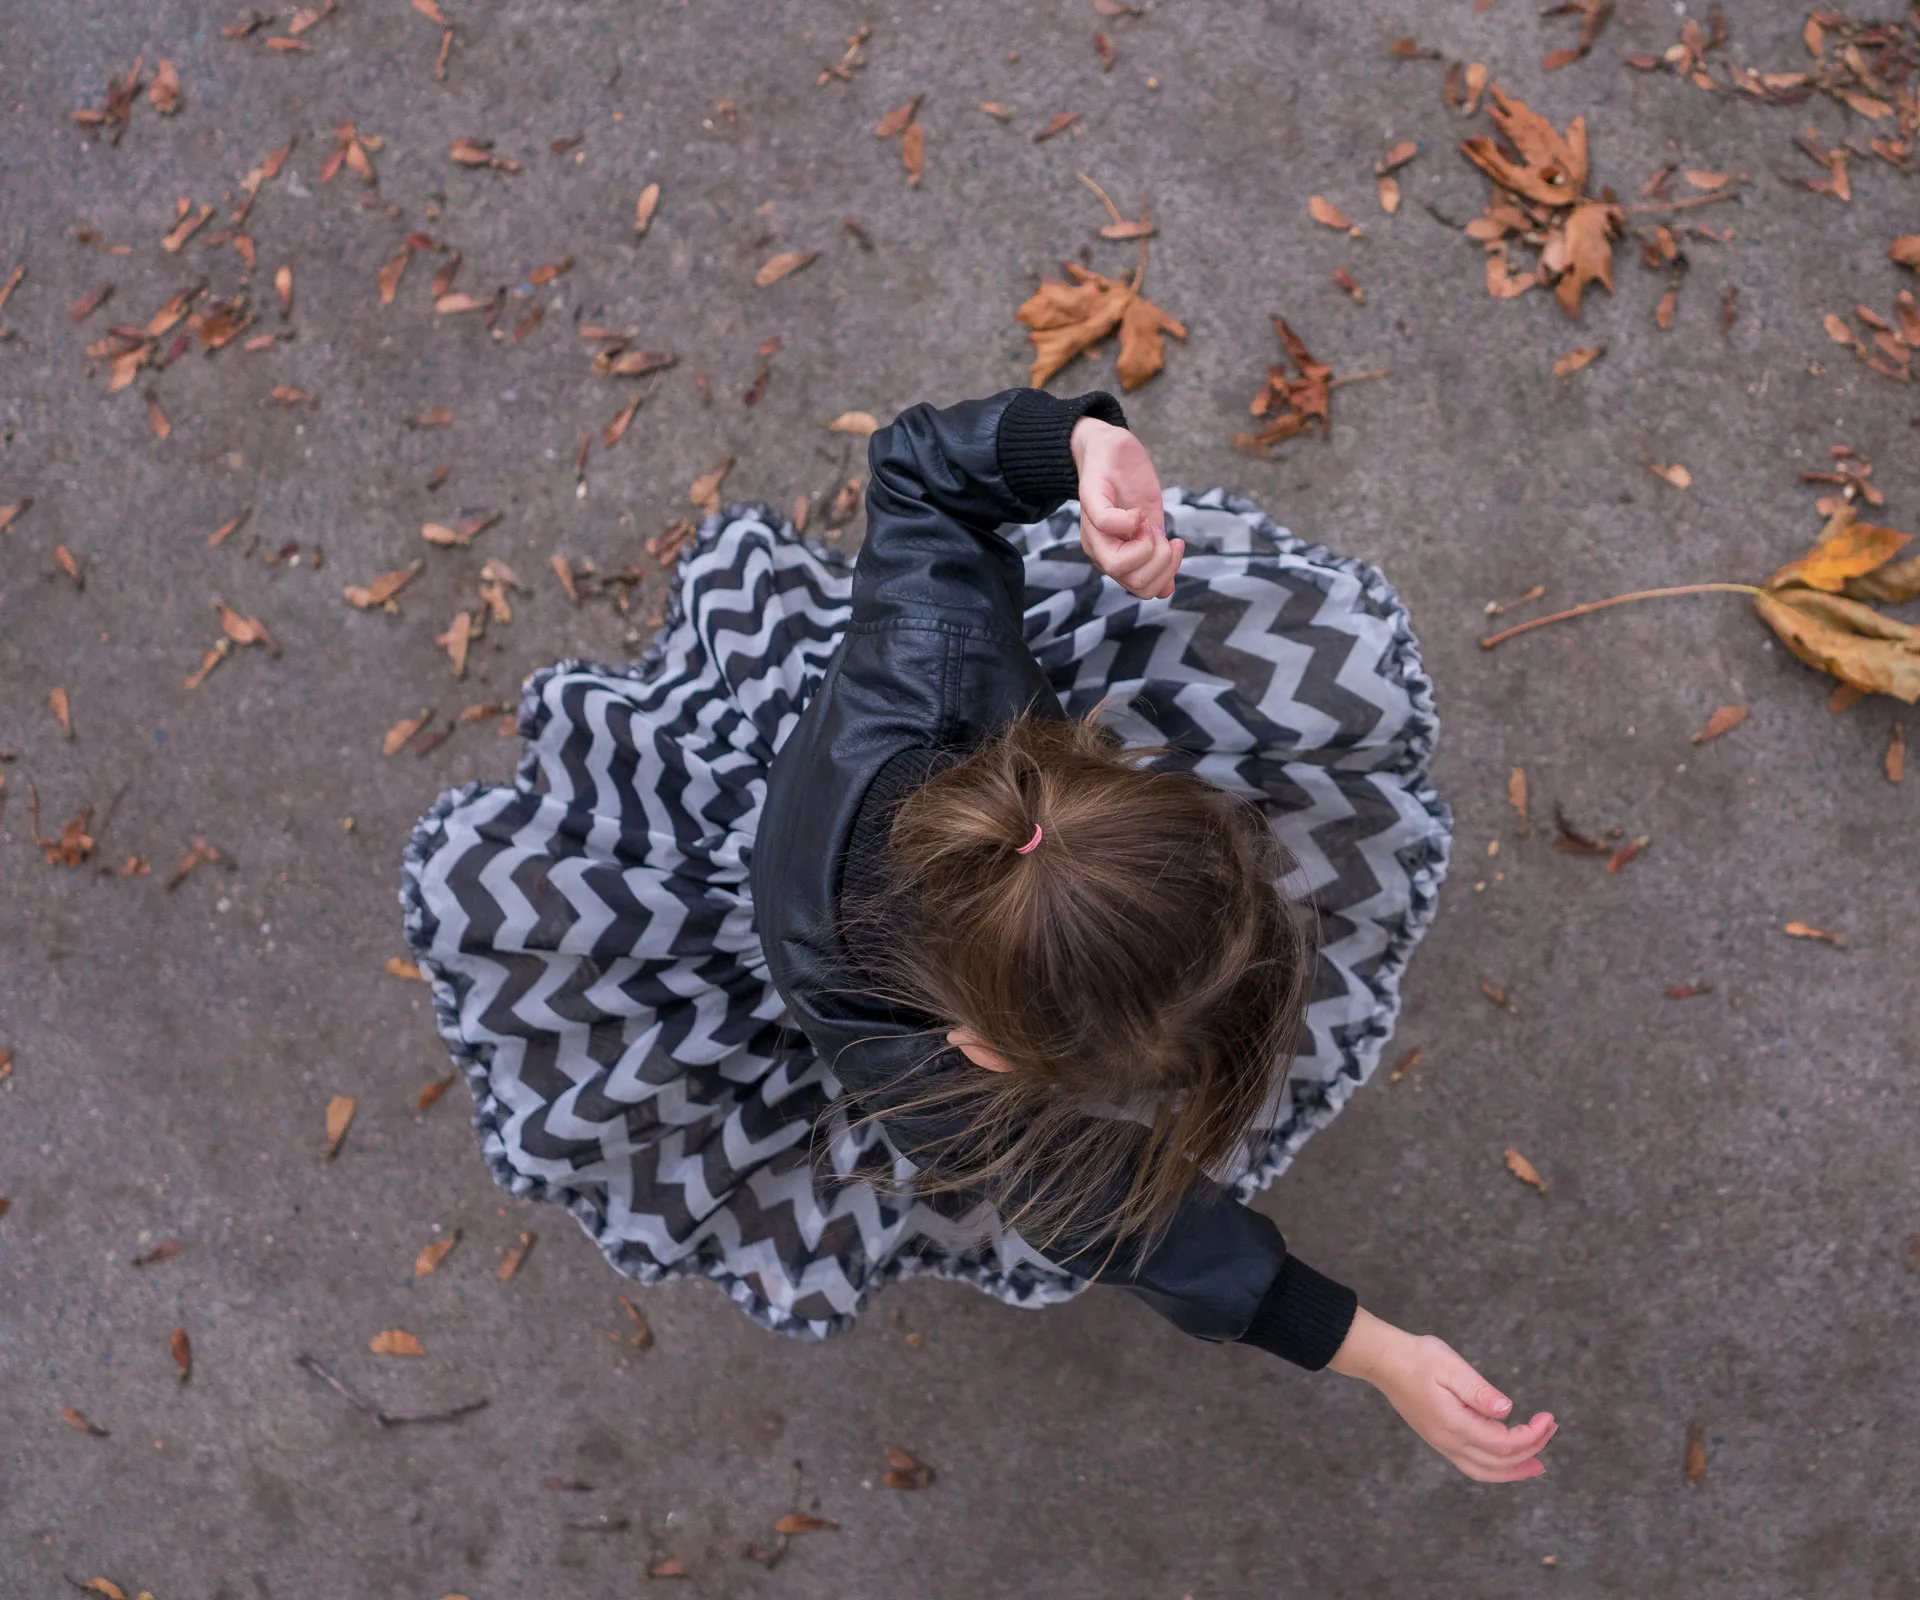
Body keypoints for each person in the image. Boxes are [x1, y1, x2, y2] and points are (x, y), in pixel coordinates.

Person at [401, 388, 1555, 1484]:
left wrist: (1084, 450)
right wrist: (1376, 1351)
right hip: (756, 909)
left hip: (865, 747)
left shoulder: (931, 649)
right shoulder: (900, 1062)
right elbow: (1106, 1214)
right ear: (986, 1053)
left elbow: (917, 471)